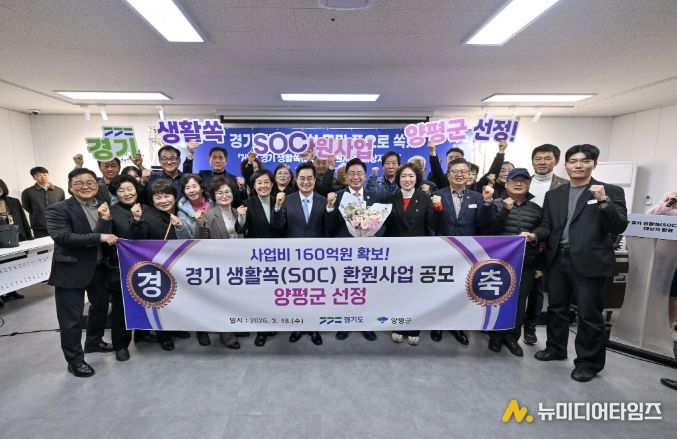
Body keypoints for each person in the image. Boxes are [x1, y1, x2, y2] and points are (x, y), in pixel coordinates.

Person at [528, 144, 628, 382]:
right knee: (557, 308)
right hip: (558, 258)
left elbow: (619, 225)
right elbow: (547, 225)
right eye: (573, 161)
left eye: (584, 161)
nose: (578, 166)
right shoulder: (555, 194)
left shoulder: (610, 191)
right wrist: (534, 235)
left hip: (590, 261)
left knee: (589, 314)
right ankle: (556, 348)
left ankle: (588, 363)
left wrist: (603, 201)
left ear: (594, 164)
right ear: (566, 165)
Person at [45, 168, 118, 377]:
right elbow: (63, 237)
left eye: (90, 182)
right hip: (71, 269)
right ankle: (75, 360)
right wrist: (100, 237)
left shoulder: (103, 206)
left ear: (97, 185)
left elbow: (105, 233)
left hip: (98, 268)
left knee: (101, 306)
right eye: (78, 183)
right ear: (70, 187)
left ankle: (94, 341)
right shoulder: (58, 209)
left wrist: (106, 221)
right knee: (71, 318)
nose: (85, 186)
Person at [430, 158, 494, 345]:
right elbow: (431, 225)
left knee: (461, 290)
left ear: (469, 175)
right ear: (448, 175)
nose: (459, 175)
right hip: (442, 250)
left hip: (467, 252)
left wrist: (488, 202)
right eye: (455, 171)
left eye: (464, 171)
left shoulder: (477, 197)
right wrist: (437, 210)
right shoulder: (438, 194)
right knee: (440, 290)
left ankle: (457, 326)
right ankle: (437, 325)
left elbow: (483, 223)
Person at [272, 162, 332, 346]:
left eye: (309, 178)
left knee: (314, 294)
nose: (306, 182)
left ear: (315, 180)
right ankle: (297, 326)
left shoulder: (323, 200)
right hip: (293, 257)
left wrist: (330, 209)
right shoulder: (286, 200)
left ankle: (313, 327)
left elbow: (329, 228)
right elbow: (278, 226)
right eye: (302, 178)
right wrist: (277, 208)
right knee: (297, 294)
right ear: (296, 180)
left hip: (317, 257)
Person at [485, 168, 543, 357]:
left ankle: (512, 337)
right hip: (498, 263)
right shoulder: (495, 204)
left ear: (529, 184)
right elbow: (488, 231)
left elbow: (543, 239)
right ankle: (495, 336)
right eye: (514, 180)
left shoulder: (536, 209)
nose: (518, 184)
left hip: (526, 263)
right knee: (497, 300)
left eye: (523, 181)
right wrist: (505, 210)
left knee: (519, 302)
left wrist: (540, 266)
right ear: (506, 184)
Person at [328, 158, 386, 342]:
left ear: (365, 175)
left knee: (366, 289)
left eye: (359, 173)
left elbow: (384, 222)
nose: (355, 177)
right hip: (343, 252)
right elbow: (329, 226)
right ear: (345, 176)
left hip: (367, 252)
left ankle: (366, 324)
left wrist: (374, 235)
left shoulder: (374, 196)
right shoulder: (337, 196)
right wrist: (330, 208)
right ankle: (345, 323)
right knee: (345, 290)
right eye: (351, 173)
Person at [523, 144, 569, 345]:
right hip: (524, 241)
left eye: (547, 158)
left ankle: (530, 328)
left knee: (538, 289)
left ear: (556, 161)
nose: (542, 162)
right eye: (538, 158)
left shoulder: (565, 186)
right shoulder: (523, 182)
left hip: (549, 245)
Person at [384, 163, 434, 346]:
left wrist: (438, 209)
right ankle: (398, 325)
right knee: (398, 291)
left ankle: (414, 327)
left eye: (411, 176)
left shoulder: (426, 198)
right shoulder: (390, 198)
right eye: (403, 176)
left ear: (417, 178)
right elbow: (385, 226)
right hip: (396, 253)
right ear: (398, 179)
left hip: (418, 252)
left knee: (416, 292)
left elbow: (432, 226)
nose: (407, 179)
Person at [193, 176, 246, 350]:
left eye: (227, 192)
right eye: (219, 193)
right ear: (214, 196)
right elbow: (198, 241)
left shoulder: (238, 212)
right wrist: (201, 224)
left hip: (239, 263)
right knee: (223, 300)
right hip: (219, 265)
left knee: (236, 299)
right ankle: (227, 336)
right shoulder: (208, 215)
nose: (224, 195)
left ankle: (236, 326)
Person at [141, 179, 193, 351]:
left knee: (177, 299)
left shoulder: (182, 212)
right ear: (152, 200)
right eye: (158, 197)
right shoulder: (147, 216)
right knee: (161, 300)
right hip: (157, 265)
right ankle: (163, 336)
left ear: (174, 197)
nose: (163, 200)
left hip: (179, 263)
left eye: (167, 196)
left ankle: (176, 328)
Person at [107, 174, 153, 361]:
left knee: (145, 301)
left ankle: (142, 334)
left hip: (146, 266)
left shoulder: (147, 208)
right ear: (115, 194)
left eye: (130, 189)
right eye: (121, 190)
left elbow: (149, 237)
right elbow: (107, 238)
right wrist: (136, 220)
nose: (127, 193)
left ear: (136, 189)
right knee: (121, 308)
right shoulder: (111, 212)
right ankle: (120, 345)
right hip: (120, 267)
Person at [240, 169, 284, 347]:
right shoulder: (247, 204)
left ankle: (275, 323)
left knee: (276, 293)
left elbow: (281, 226)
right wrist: (241, 217)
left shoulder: (280, 201)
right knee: (261, 295)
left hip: (279, 256)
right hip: (257, 258)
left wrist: (278, 207)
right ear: (254, 186)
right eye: (259, 183)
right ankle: (262, 330)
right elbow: (241, 229)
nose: (263, 186)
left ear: (272, 184)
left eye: (266, 182)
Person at [646, 192, 677, 391]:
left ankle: (670, 331)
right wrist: (667, 204)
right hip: (666, 258)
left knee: (674, 297)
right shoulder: (669, 199)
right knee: (665, 295)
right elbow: (649, 217)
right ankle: (663, 332)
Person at [0, 178, 33, 305]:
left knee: (13, 265)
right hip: (1, 241)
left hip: (16, 237)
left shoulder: (13, 201)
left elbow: (23, 219)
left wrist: (29, 236)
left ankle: (11, 291)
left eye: (0, 187)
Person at [182, 142, 247, 205]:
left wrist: (242, 188)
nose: (217, 161)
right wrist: (190, 154)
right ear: (209, 159)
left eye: (220, 158)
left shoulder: (234, 179)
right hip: (206, 211)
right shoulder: (202, 175)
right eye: (214, 158)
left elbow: (239, 202)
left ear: (226, 161)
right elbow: (186, 177)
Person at [21, 167, 66, 238]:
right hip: (39, 227)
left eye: (45, 174)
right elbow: (27, 207)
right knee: (42, 245)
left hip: (58, 225)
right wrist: (38, 214)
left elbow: (63, 207)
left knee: (60, 243)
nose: (43, 177)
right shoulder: (27, 192)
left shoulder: (59, 190)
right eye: (39, 175)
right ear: (34, 177)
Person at [177, 173, 213, 239]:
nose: (191, 190)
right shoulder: (182, 213)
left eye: (194, 186)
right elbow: (185, 239)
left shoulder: (213, 203)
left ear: (201, 189)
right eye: (187, 188)